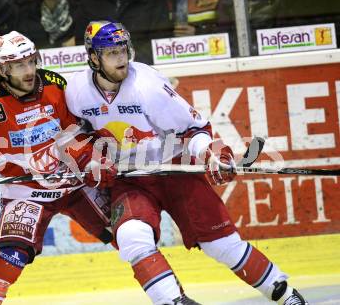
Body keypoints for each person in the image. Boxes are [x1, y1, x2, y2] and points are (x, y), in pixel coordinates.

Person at [65, 20, 309, 305]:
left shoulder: (148, 85)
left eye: (123, 50)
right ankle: (174, 301)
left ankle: (285, 294)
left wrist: (211, 154)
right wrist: (89, 158)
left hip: (175, 170)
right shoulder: (76, 91)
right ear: (93, 58)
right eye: (111, 53)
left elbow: (193, 129)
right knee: (132, 237)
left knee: (220, 245)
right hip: (130, 180)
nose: (121, 58)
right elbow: (73, 135)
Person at [0, 31, 116, 304]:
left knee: (128, 231)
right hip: (26, 190)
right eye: (18, 65)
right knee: (7, 260)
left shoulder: (54, 84)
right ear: (2, 69)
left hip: (73, 181)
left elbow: (74, 130)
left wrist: (92, 158)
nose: (29, 71)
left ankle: (170, 297)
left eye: (30, 61)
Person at [70, 0, 173, 64]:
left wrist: (128, 61)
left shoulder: (153, 1)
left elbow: (161, 42)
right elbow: (83, 43)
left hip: (144, 70)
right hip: (102, 75)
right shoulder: (88, 2)